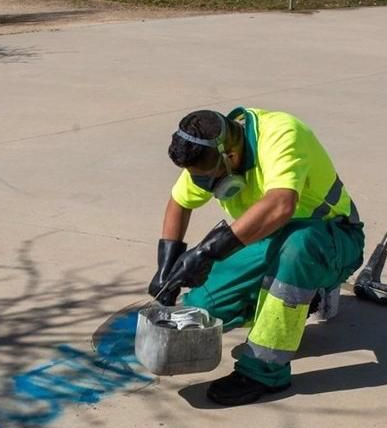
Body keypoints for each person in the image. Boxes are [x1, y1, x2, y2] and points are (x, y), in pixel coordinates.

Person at [149, 107, 365, 406]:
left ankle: (264, 371)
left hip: (329, 240)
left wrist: (207, 252)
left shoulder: (282, 134)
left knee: (298, 247)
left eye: (210, 178)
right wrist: (167, 263)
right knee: (203, 308)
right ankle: (307, 298)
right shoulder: (208, 150)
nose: (205, 185)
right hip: (266, 240)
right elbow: (179, 203)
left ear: (230, 154)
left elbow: (281, 205)